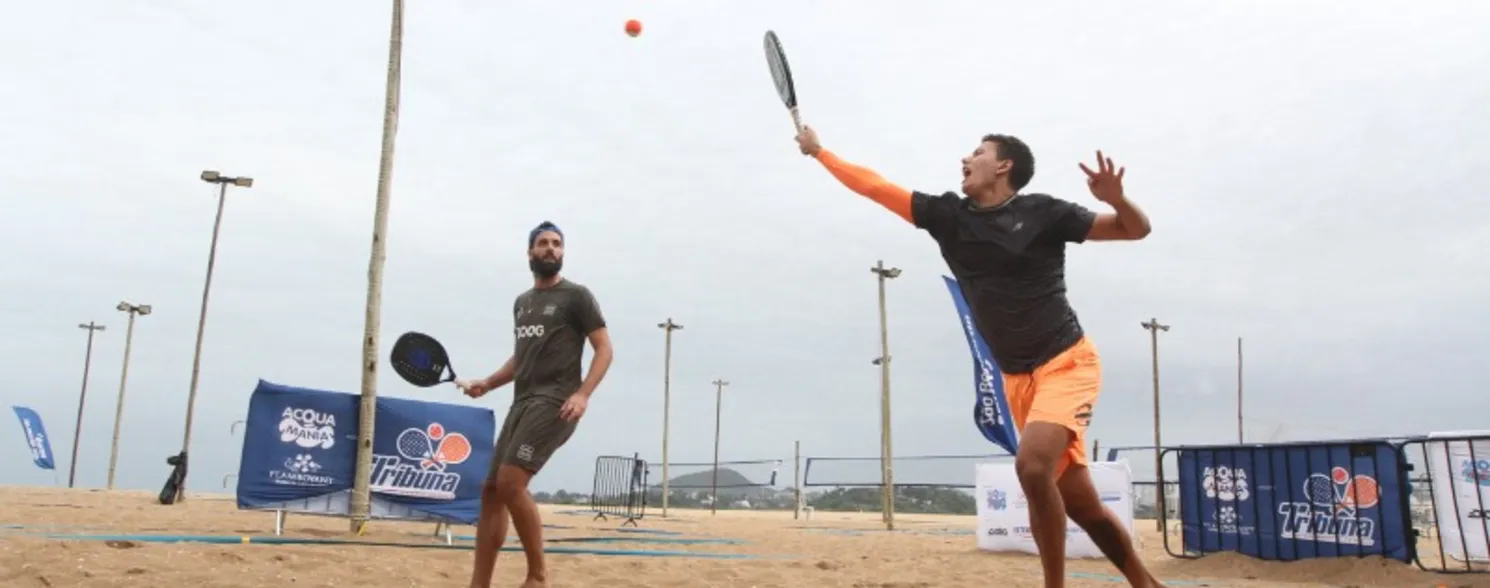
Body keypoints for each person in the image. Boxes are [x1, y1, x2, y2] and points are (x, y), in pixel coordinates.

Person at [795, 127, 1163, 588]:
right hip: (1017, 379)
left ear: (1003, 166)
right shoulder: (948, 216)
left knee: (1031, 467)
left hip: (1067, 362)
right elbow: (875, 186)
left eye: (978, 152)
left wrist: (1118, 198)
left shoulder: (1045, 213)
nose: (965, 159)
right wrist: (820, 153)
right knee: (1083, 506)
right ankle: (1146, 583)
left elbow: (1135, 230)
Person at [456, 221, 614, 588]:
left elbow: (604, 348)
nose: (550, 249)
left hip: (557, 400)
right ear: (529, 252)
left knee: (512, 482)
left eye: (557, 244)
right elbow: (521, 358)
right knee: (492, 490)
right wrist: (488, 383)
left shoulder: (577, 296)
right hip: (522, 400)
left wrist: (583, 394)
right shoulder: (522, 304)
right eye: (542, 243)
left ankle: (537, 577)